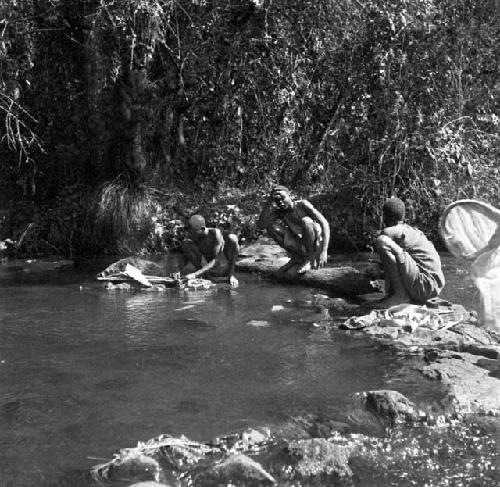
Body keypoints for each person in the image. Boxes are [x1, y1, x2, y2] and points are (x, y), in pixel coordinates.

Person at [375, 197, 445, 307]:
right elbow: (395, 265)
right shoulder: (409, 231)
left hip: (425, 286)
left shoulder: (390, 232)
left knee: (382, 241)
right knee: (392, 252)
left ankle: (400, 296)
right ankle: (400, 295)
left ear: (384, 217)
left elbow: (386, 247)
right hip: (433, 286)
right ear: (403, 217)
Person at [257, 185, 330, 274]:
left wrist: (324, 251)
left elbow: (324, 223)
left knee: (306, 221)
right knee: (270, 227)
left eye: (283, 198)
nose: (281, 202)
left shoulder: (302, 204)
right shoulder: (280, 212)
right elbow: (261, 225)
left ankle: (310, 259)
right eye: (277, 200)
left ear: (289, 195)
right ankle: (296, 257)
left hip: (315, 244)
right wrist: (269, 202)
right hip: (301, 244)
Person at [181, 214, 240, 288]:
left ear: (202, 228)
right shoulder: (191, 237)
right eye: (191, 232)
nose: (192, 234)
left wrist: (195, 274)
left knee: (233, 238)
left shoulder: (215, 234)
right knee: (186, 243)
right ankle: (205, 276)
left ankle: (231, 275)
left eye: (194, 232)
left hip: (220, 267)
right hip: (206, 269)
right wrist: (179, 272)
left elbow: (216, 260)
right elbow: (186, 260)